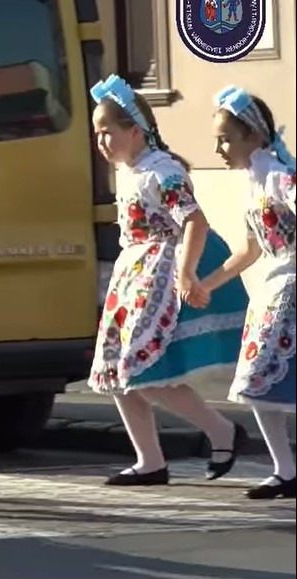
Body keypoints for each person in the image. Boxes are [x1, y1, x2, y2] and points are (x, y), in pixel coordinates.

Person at [87, 75, 248, 487]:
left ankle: (220, 431)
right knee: (115, 372)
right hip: (133, 275)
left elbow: (194, 220)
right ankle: (150, 461)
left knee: (143, 371)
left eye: (108, 132)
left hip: (158, 273)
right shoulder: (129, 170)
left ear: (135, 130)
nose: (102, 142)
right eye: (97, 134)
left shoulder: (162, 171)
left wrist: (186, 272)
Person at [198, 85, 295, 499]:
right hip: (271, 288)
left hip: (291, 286)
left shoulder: (279, 177)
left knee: (261, 376)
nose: (219, 148)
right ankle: (285, 470)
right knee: (258, 383)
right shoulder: (254, 184)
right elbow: (250, 249)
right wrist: (207, 284)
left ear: (253, 135)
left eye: (225, 139)